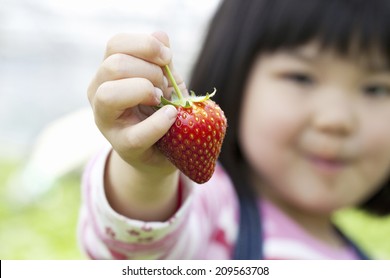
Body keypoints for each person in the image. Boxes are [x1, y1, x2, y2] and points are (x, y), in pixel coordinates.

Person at [78, 0, 390, 259]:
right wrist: (148, 177)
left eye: (376, 89)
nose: (336, 120)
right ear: (237, 76)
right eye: (301, 78)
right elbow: (136, 251)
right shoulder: (214, 211)